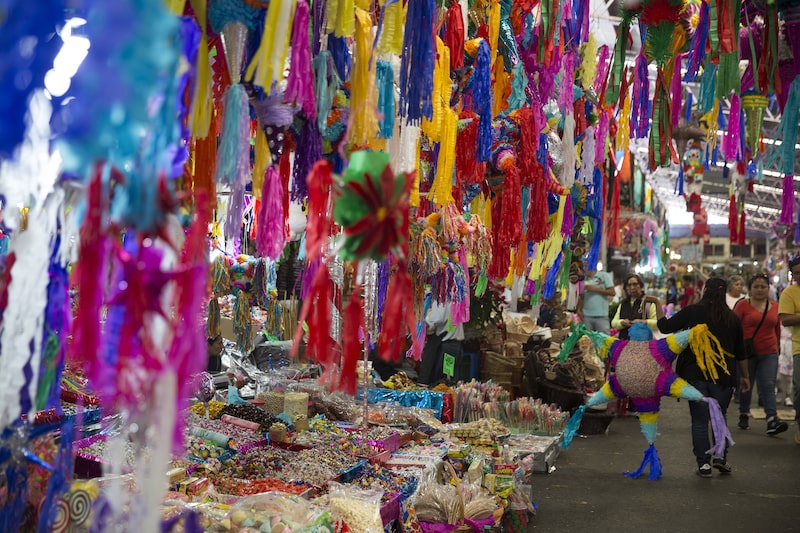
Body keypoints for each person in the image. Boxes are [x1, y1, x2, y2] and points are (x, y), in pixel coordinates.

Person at [653, 277, 750, 477]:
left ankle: (703, 465)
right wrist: (745, 376)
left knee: (699, 420)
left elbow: (664, 327)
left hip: (694, 374)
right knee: (719, 417)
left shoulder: (692, 312)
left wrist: (655, 304)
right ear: (724, 293)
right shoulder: (732, 319)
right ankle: (720, 457)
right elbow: (741, 353)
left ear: (705, 290)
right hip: (724, 377)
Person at [733, 274, 788, 434]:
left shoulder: (776, 306)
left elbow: (777, 328)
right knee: (746, 385)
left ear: (768, 289)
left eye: (763, 287)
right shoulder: (742, 305)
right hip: (746, 353)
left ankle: (772, 420)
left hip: (769, 352)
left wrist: (777, 347)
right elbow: (734, 327)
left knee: (768, 385)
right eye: (756, 287)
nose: (759, 290)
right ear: (749, 289)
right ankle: (744, 413)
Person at [777, 254, 800, 445]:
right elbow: (785, 319)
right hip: (799, 347)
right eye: (797, 273)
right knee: (799, 388)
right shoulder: (789, 293)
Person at [418, 300, 464, 386]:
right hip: (453, 345)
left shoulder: (441, 296)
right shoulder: (454, 295)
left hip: (446, 346)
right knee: (449, 379)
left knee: (443, 382)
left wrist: (423, 322)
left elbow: (437, 318)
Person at [611, 274, 657, 340]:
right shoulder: (624, 303)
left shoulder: (648, 302)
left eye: (635, 284)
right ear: (626, 288)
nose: (632, 287)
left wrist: (644, 322)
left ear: (641, 286)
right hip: (624, 342)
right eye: (629, 285)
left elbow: (657, 323)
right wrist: (622, 322)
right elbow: (614, 322)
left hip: (643, 343)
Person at [577, 266, 615, 334]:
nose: (583, 269)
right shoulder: (583, 279)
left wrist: (594, 289)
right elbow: (582, 296)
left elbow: (612, 292)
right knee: (587, 340)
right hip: (587, 316)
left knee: (604, 340)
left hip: (601, 316)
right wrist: (579, 309)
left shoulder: (603, 275)